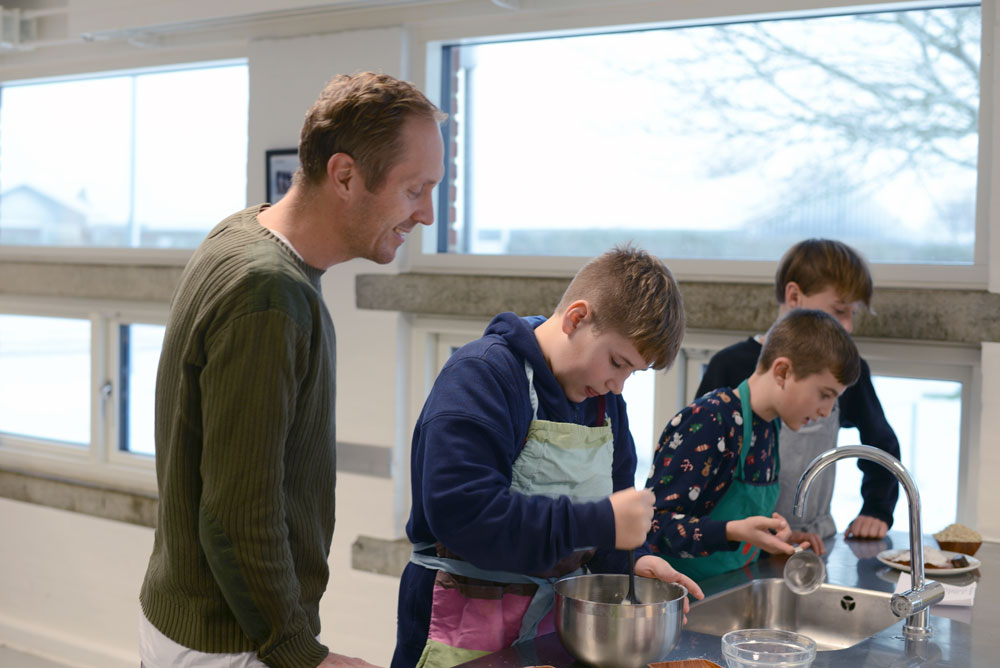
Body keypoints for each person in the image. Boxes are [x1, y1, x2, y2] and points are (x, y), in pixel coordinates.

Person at [138, 72, 446, 668]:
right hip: (229, 640)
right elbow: (237, 511)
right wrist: (300, 652)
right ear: (346, 176)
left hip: (198, 616)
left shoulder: (240, 232)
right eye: (415, 189)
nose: (427, 214)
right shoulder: (268, 293)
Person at [391, 245, 703, 668]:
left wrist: (636, 557)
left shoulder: (604, 404)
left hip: (549, 633)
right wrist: (603, 521)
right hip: (460, 626)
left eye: (633, 373)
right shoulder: (481, 378)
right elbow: (465, 514)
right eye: (617, 362)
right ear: (576, 318)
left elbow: (608, 524)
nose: (618, 385)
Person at [694, 239, 901, 554]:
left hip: (810, 542)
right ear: (793, 296)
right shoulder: (729, 365)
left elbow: (881, 446)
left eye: (853, 314)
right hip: (735, 545)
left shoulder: (847, 377)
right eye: (839, 310)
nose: (848, 325)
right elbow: (698, 464)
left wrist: (877, 508)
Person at [645, 309, 861, 582]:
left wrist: (775, 538)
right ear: (782, 371)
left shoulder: (769, 426)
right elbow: (653, 526)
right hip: (682, 594)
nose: (828, 411)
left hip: (731, 586)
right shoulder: (710, 421)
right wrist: (732, 531)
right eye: (824, 395)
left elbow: (728, 517)